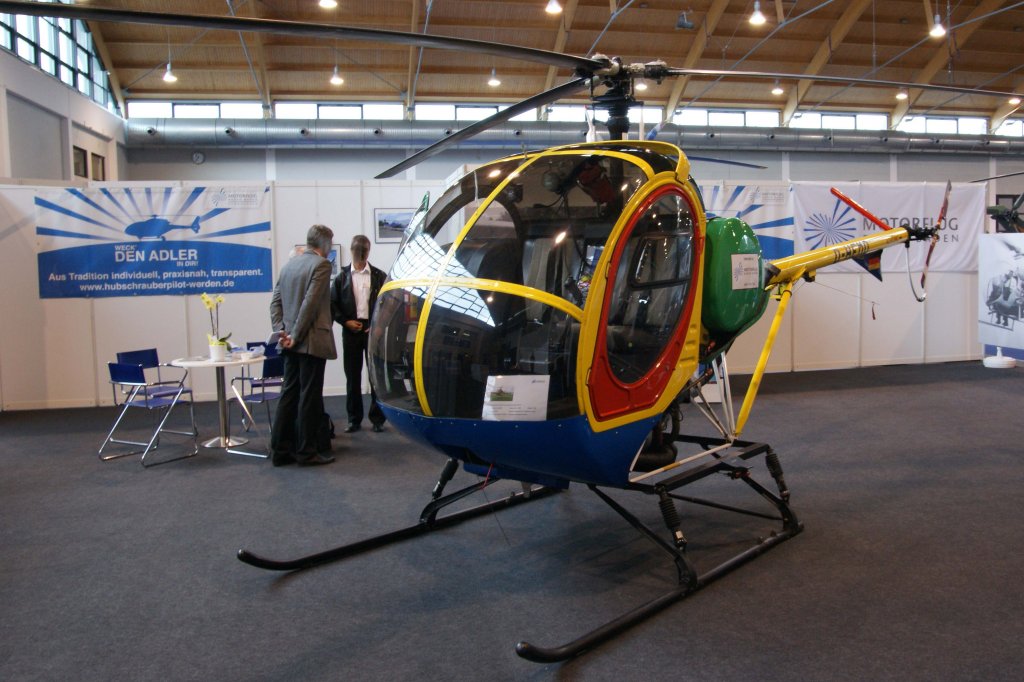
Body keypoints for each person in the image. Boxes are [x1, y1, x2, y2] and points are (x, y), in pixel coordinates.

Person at [269, 224, 338, 466]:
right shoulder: (321, 265)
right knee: (309, 397)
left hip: (289, 343)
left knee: (288, 395)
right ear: (325, 243)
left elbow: (275, 303)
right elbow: (310, 303)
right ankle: (306, 452)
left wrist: (282, 333)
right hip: (310, 342)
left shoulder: (289, 265)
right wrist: (295, 336)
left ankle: (280, 451)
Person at [331, 234, 387, 433]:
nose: (361, 254)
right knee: (352, 377)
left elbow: (387, 304)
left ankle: (377, 419)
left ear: (369, 251)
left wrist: (378, 325)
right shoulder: (341, 277)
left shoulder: (379, 276)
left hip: (373, 330)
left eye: (364, 251)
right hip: (351, 330)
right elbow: (333, 305)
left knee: (375, 377)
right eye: (358, 251)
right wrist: (345, 322)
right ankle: (354, 420)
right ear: (352, 251)